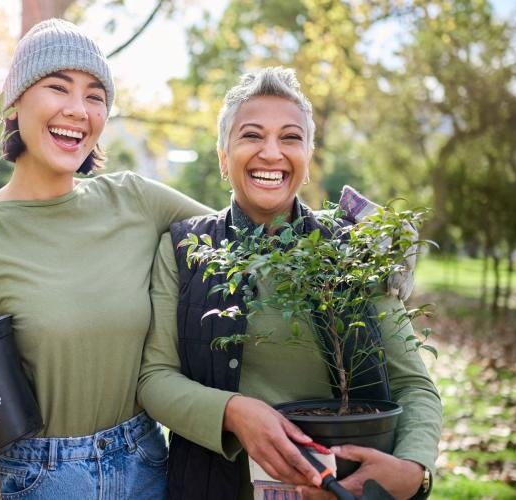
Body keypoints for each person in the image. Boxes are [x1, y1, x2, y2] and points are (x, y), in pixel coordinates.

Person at [0, 18, 214, 498]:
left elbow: (244, 240)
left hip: (147, 464)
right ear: (15, 103)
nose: (78, 109)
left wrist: (349, 229)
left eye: (95, 96)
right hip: (30, 479)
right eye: (58, 87)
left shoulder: (136, 200)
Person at [137, 67, 442, 500]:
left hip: (345, 487)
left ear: (308, 158)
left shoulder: (355, 252)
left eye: (290, 138)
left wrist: (414, 470)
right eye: (251, 136)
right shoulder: (185, 249)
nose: (271, 152)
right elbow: (155, 378)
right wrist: (233, 412)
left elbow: (413, 383)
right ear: (224, 158)